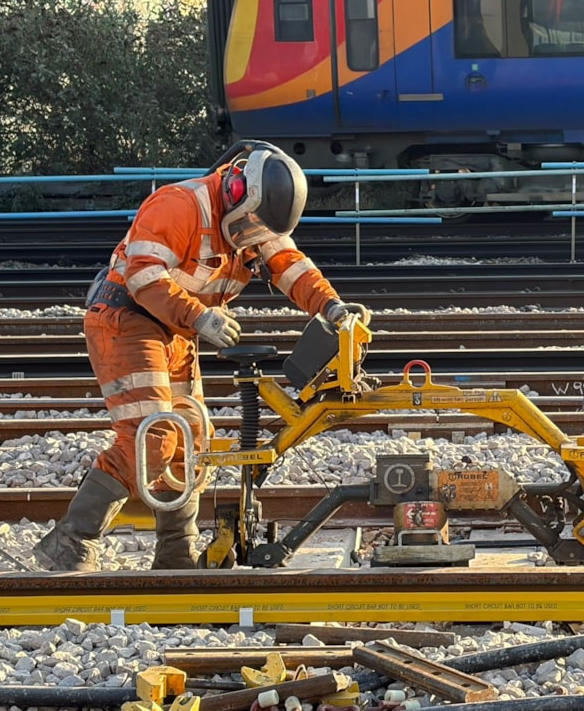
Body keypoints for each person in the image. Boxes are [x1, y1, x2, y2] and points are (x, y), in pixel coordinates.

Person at [33, 140, 366, 571]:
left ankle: (175, 550)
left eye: (259, 234)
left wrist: (332, 306)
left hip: (175, 332)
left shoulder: (254, 220)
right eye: (248, 228)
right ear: (236, 192)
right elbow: (143, 277)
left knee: (189, 439)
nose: (250, 240)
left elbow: (290, 265)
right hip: (127, 321)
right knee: (152, 437)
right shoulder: (179, 205)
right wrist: (199, 316)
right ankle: (71, 541)